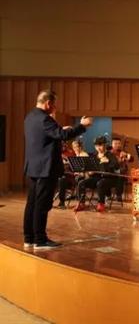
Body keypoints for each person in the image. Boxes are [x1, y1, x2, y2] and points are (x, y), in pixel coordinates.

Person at [23, 90, 92, 250]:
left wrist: (60, 129)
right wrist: (82, 125)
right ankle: (40, 240)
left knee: (31, 204)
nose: (55, 107)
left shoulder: (30, 117)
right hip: (45, 168)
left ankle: (29, 238)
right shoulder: (45, 118)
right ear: (48, 103)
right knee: (42, 205)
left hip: (33, 167)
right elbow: (62, 135)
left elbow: (48, 136)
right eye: (54, 104)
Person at [74, 136, 120, 213]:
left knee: (100, 183)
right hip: (97, 177)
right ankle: (81, 203)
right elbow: (90, 168)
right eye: (96, 146)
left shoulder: (110, 155)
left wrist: (108, 161)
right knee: (81, 183)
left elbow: (117, 166)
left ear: (105, 145)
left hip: (110, 178)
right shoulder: (94, 155)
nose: (98, 148)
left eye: (100, 145)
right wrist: (90, 172)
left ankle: (101, 203)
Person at [56, 139, 88, 209]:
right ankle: (62, 202)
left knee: (67, 178)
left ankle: (80, 203)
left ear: (81, 147)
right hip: (69, 176)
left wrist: (68, 163)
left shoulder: (81, 155)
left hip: (76, 178)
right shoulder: (75, 155)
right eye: (74, 147)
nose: (75, 149)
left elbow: (83, 170)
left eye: (77, 147)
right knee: (62, 180)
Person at [111, 137, 133, 202]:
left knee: (120, 175)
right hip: (111, 172)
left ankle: (119, 195)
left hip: (120, 174)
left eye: (119, 143)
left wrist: (127, 155)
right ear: (112, 144)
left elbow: (132, 159)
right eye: (115, 143)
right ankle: (108, 194)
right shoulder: (109, 153)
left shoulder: (123, 152)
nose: (117, 145)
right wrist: (118, 161)